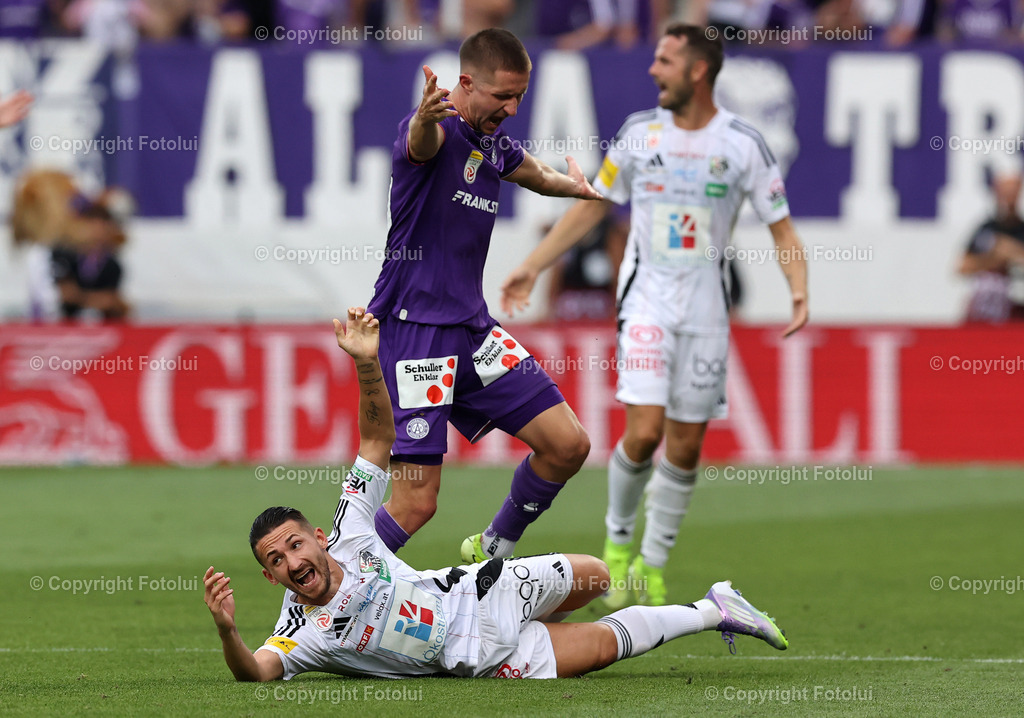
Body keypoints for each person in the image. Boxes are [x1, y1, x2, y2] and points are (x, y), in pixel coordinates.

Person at [202, 308, 789, 682]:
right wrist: (229, 631)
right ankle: (716, 608)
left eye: (295, 546)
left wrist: (367, 365)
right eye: (276, 561)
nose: (293, 562)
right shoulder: (298, 636)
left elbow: (378, 434)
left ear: (318, 537)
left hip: (482, 593)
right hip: (478, 661)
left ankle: (513, 572)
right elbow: (257, 671)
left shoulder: (352, 529)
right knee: (603, 651)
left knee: (596, 578)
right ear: (271, 580)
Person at [501, 24, 809, 607]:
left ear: (697, 70)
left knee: (687, 448)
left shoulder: (743, 144)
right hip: (646, 303)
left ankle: (654, 561)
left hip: (706, 314)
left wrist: (799, 289)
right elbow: (595, 207)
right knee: (643, 433)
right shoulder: (640, 135)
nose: (652, 69)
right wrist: (534, 265)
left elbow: (781, 226)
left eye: (664, 60)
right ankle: (618, 546)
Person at [365, 28, 602, 564]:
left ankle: (493, 546)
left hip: (473, 330)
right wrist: (426, 118)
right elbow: (419, 143)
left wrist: (577, 188)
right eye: (503, 96)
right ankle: (316, 605)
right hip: (415, 332)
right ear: (466, 84)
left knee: (569, 445)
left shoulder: (491, 142)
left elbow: (536, 174)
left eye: (520, 96)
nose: (513, 108)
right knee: (414, 505)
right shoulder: (434, 129)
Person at [958, 172, 1024, 323]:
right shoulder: (987, 229)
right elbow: (962, 266)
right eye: (1006, 193)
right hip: (987, 309)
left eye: (1013, 194)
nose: (1009, 199)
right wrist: (997, 258)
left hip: (1017, 308)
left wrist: (1011, 250)